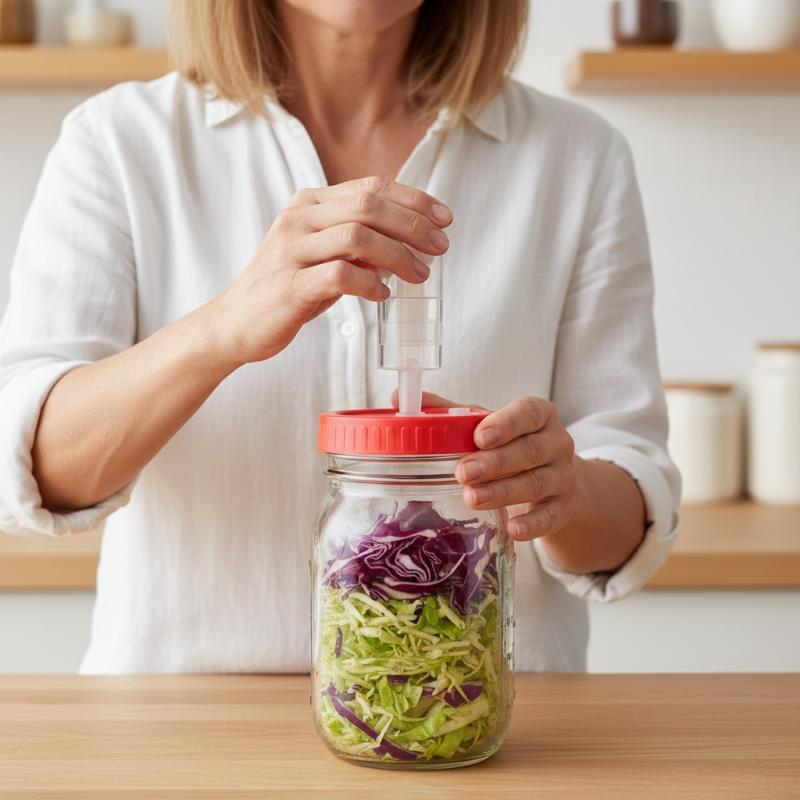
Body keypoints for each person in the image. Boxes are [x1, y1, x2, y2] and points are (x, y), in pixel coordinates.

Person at [0, 0, 679, 674]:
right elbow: (38, 468)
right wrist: (223, 328)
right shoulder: (119, 141)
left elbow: (623, 518)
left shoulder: (576, 155)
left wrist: (563, 489)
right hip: (183, 720)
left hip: (474, 712)